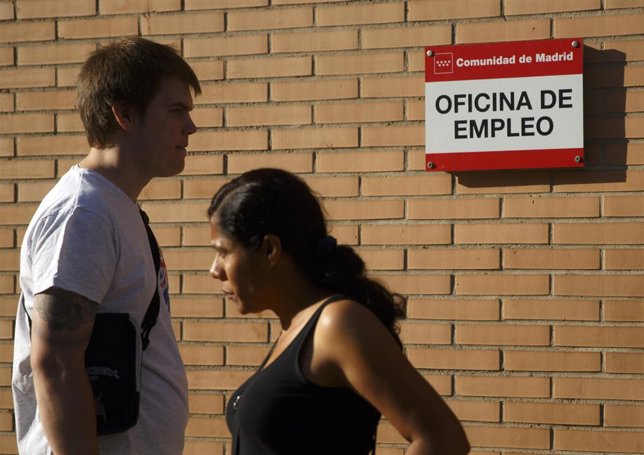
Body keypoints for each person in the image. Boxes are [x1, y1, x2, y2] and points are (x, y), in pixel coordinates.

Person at [12, 37, 201, 455]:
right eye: (176, 111)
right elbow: (57, 362)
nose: (190, 127)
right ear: (125, 114)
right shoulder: (85, 214)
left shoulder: (113, 207)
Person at [207, 168, 470, 455]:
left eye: (223, 252)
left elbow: (443, 439)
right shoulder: (294, 328)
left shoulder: (337, 324)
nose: (214, 270)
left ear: (270, 249)